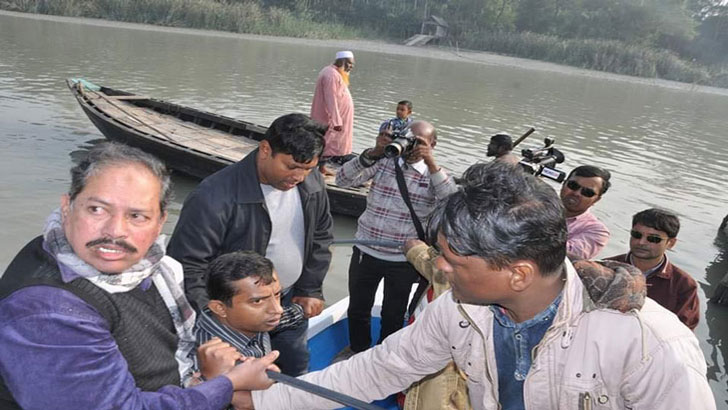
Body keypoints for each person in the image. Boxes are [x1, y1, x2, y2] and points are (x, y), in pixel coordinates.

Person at [242, 161, 716, 410]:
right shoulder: (461, 310)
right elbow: (377, 370)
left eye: (453, 260)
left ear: (518, 273)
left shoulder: (653, 346)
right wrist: (258, 400)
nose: (441, 270)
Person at [0, 143, 278, 409]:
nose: (115, 231)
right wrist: (226, 385)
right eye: (97, 209)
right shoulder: (49, 311)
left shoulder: (150, 268)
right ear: (67, 207)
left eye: (137, 216)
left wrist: (207, 379)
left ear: (159, 223)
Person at [167, 113, 333, 377]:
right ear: (265, 149)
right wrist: (219, 322)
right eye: (291, 167)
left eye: (308, 168)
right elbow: (187, 266)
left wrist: (310, 287)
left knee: (294, 368)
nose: (300, 177)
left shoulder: (312, 183)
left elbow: (322, 235)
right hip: (236, 314)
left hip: (289, 300)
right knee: (241, 383)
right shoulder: (213, 196)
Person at [334, 120, 457, 357]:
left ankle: (384, 356)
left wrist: (430, 162)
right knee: (358, 306)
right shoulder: (384, 162)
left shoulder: (434, 175)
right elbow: (342, 180)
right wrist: (373, 152)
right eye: (408, 138)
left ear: (432, 144)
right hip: (366, 249)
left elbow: (452, 202)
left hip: (404, 258)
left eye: (418, 142)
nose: (410, 146)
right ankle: (357, 349)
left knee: (394, 312)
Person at [400, 239, 471, 410]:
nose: (439, 263)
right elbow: (429, 263)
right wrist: (415, 249)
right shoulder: (446, 272)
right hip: (414, 374)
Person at [196, 251, 305, 360]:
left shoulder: (246, 322)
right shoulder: (210, 361)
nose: (278, 309)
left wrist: (304, 309)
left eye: (277, 294)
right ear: (220, 309)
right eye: (258, 301)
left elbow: (287, 317)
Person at [606, 208, 700, 330]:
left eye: (653, 239)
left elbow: (683, 331)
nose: (641, 242)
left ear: (671, 243)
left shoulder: (684, 285)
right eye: (636, 235)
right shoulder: (607, 267)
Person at [310, 50, 355, 175]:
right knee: (326, 143)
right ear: (343, 61)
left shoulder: (336, 73)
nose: (351, 66)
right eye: (350, 63)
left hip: (338, 117)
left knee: (330, 144)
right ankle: (314, 169)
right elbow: (331, 98)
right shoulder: (331, 75)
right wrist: (336, 120)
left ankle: (321, 168)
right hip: (331, 118)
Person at [561, 165, 611, 260]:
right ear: (564, 184)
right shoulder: (535, 206)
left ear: (596, 200)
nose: (577, 193)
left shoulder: (598, 231)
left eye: (587, 192)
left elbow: (563, 255)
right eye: (573, 186)